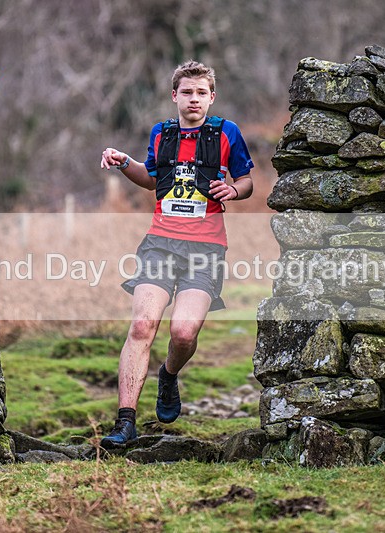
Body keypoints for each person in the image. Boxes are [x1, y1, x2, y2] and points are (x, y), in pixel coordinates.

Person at [98, 60, 254, 447]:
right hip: (160, 243)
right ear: (174, 96)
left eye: (202, 93)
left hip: (206, 247)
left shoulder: (226, 133)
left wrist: (234, 191)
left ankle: (168, 375)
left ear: (212, 97)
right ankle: (125, 422)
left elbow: (248, 180)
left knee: (183, 332)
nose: (194, 99)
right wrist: (124, 163)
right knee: (141, 326)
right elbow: (152, 179)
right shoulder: (161, 133)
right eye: (187, 92)